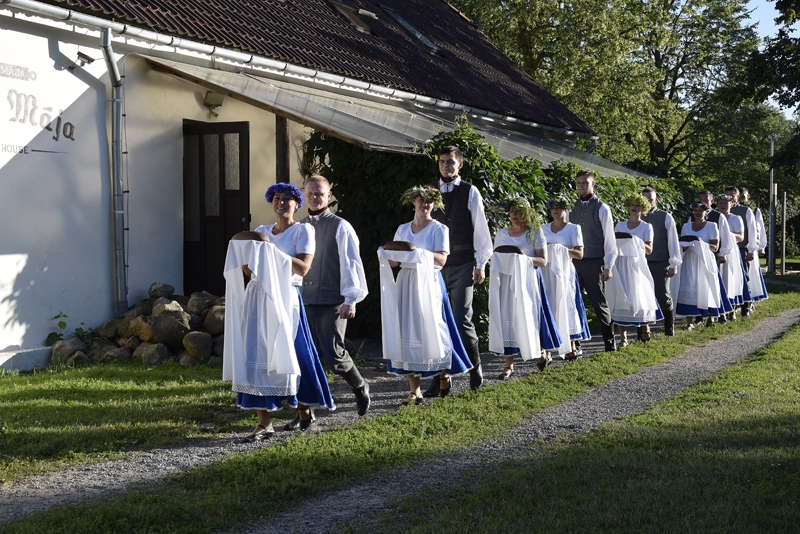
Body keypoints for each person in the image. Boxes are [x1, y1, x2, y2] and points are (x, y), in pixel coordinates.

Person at [247, 183, 335, 433]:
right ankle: (264, 422)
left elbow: (303, 268)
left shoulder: (303, 231)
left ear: (297, 204)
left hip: (286, 298)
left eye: (287, 199)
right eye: (276, 198)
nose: (281, 203)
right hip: (261, 298)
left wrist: (270, 252)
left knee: (295, 354)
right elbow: (250, 269)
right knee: (260, 355)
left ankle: (303, 406)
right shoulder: (261, 231)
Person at [377, 186, 472, 405]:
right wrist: (384, 254)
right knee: (406, 331)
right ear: (414, 202)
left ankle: (442, 372)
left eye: (429, 201)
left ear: (434, 204)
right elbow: (395, 262)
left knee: (432, 329)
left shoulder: (439, 229)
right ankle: (414, 390)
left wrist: (417, 253)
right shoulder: (402, 229)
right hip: (406, 282)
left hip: (429, 281)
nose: (425, 204)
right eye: (421, 200)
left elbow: (441, 260)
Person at [299, 175, 370, 422]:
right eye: (310, 193)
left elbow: (351, 263)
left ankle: (360, 386)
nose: (315, 197)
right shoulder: (299, 227)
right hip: (303, 300)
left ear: (329, 196)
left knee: (333, 353)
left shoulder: (340, 225)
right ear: (304, 195)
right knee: (303, 354)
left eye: (320, 193)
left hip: (332, 300)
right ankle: (304, 410)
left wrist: (351, 299)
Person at [423, 146, 493, 396]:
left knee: (461, 318)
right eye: (442, 162)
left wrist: (480, 264)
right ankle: (441, 378)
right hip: (434, 266)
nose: (445, 166)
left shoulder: (470, 191)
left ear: (460, 164)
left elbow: (481, 230)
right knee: (435, 321)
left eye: (450, 162)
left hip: (463, 263)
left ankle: (475, 367)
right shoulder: (428, 191)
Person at [489, 198, 559, 376]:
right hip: (506, 281)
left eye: (518, 211)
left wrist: (522, 260)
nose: (514, 214)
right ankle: (508, 365)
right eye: (512, 211)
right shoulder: (501, 233)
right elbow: (496, 257)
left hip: (528, 281)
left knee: (528, 316)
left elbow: (543, 260)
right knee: (508, 319)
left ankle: (539, 352)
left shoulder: (534, 233)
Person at [570, 170, 618, 351]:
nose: (581, 185)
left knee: (599, 302)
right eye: (579, 183)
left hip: (595, 262)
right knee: (573, 301)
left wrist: (608, 265)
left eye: (585, 182)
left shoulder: (602, 208)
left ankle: (609, 341)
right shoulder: (571, 207)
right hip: (575, 262)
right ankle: (576, 344)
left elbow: (609, 239)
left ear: (593, 184)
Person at [607, 193, 661, 346]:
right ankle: (623, 338)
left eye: (637, 205)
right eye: (632, 205)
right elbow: (613, 245)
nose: (634, 208)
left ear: (643, 208)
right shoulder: (620, 225)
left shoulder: (646, 227)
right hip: (620, 263)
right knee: (620, 296)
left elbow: (649, 249)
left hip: (637, 265)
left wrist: (635, 241)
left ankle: (645, 328)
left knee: (640, 296)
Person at [541, 197, 591, 360]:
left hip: (565, 272)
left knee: (566, 303)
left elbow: (579, 254)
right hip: (546, 272)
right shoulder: (543, 228)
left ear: (566, 210)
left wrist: (559, 249)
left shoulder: (573, 229)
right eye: (552, 208)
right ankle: (547, 350)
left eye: (559, 207)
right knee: (548, 304)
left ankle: (570, 345)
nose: (555, 211)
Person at [674, 202, 726, 329]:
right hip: (690, 260)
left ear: (706, 212)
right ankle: (690, 322)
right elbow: (682, 244)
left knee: (707, 286)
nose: (697, 213)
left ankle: (710, 318)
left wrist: (700, 243)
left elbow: (715, 247)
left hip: (705, 260)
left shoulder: (712, 226)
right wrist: (686, 246)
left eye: (700, 210)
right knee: (689, 287)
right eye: (695, 210)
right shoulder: (686, 226)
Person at [641, 186, 681, 337]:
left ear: (656, 200)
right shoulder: (636, 216)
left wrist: (673, 263)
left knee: (663, 295)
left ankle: (668, 327)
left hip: (660, 261)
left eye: (650, 199)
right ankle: (644, 330)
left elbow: (672, 240)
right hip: (642, 262)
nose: (647, 202)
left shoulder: (665, 216)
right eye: (644, 199)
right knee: (642, 295)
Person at [716, 193, 747, 320]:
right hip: (718, 250)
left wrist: (727, 233)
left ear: (731, 204)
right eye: (721, 203)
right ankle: (720, 310)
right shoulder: (714, 217)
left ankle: (732, 309)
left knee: (731, 279)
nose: (723, 205)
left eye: (726, 203)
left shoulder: (736, 218)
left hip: (731, 251)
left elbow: (741, 237)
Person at [739, 187, 769, 303]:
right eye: (739, 196)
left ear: (748, 197)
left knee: (752, 272)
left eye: (743, 196)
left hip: (752, 245)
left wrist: (762, 246)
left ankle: (750, 299)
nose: (741, 199)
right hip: (744, 243)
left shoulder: (754, 210)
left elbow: (760, 229)